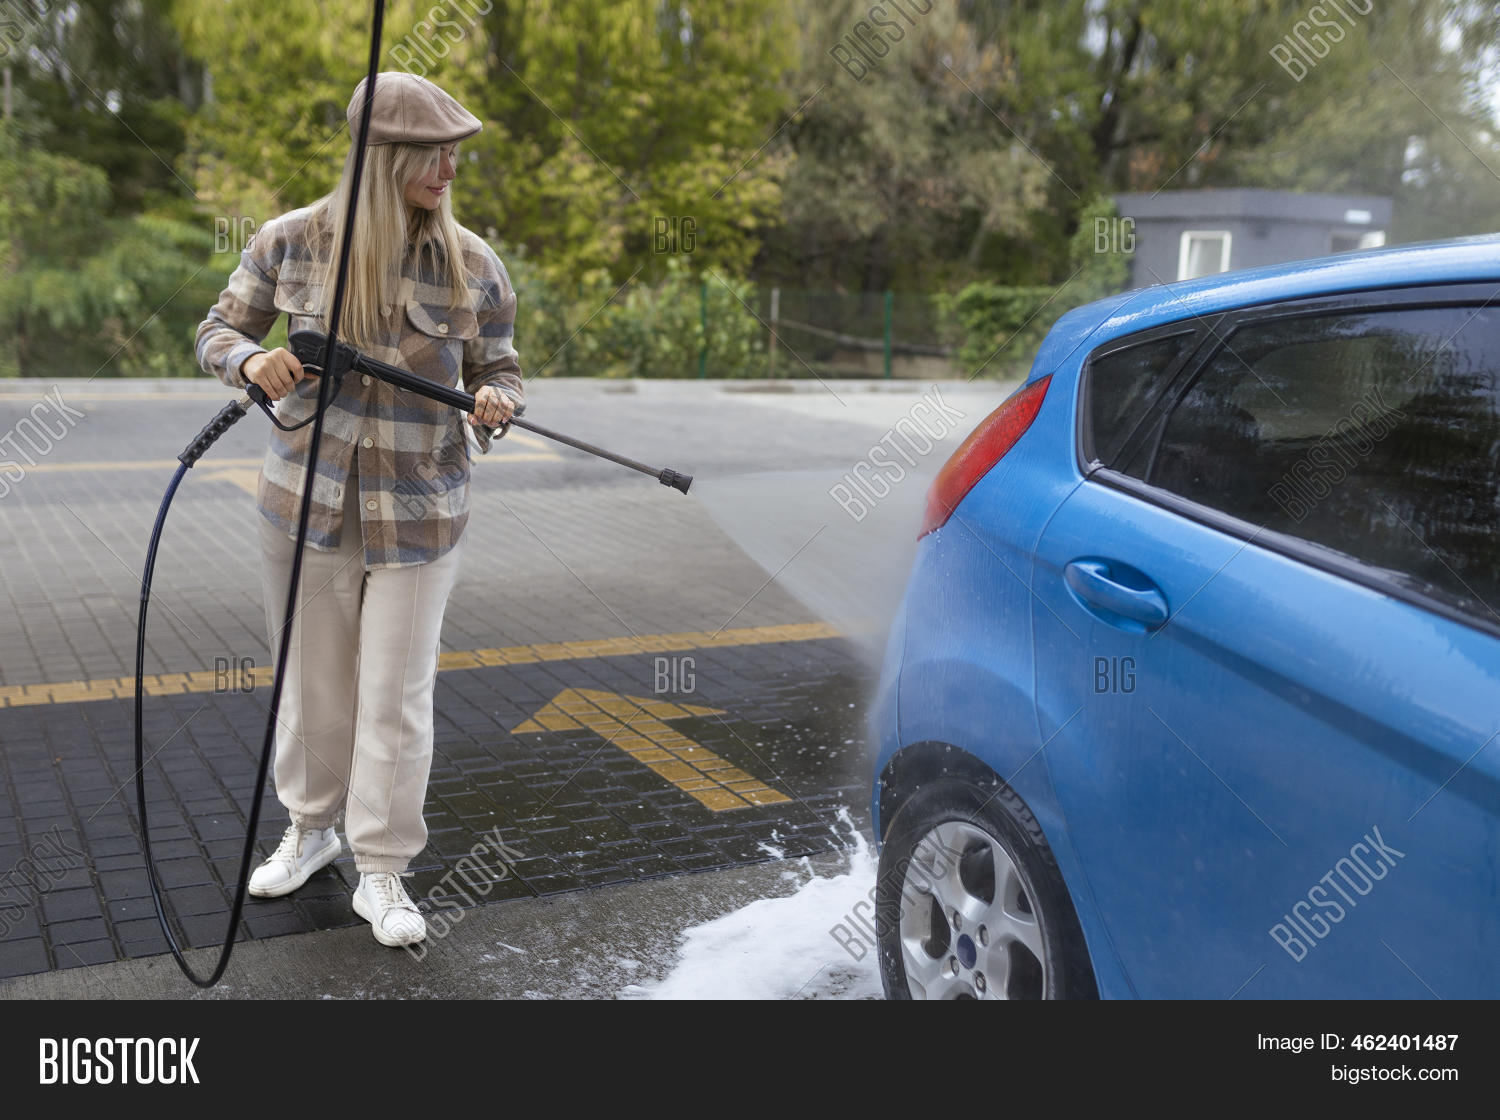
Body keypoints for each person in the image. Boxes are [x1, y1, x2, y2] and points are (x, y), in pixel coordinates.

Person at [194, 73, 522, 947]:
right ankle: (310, 830)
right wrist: (249, 362)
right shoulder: (289, 242)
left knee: (395, 699)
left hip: (422, 515)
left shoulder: (475, 262)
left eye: (457, 151)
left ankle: (382, 872)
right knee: (313, 686)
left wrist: (497, 401)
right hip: (304, 507)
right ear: (384, 159)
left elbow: (500, 368)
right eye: (434, 153)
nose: (451, 168)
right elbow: (215, 332)